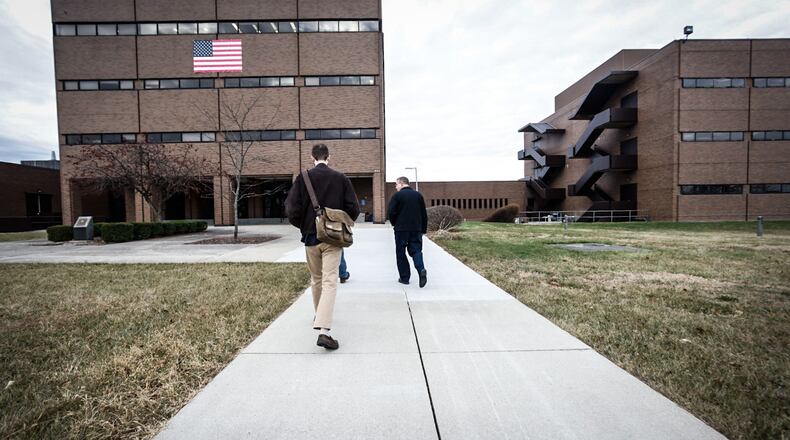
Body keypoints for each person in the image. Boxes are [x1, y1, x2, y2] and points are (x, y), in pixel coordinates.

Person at [285, 144, 360, 350]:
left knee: (316, 280)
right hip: (332, 238)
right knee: (329, 282)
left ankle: (320, 317)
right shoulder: (341, 178)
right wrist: (340, 221)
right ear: (329, 157)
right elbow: (353, 208)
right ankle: (324, 330)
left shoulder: (303, 178)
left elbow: (292, 209)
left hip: (310, 237)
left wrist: (305, 226)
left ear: (312, 157)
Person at [387, 176, 428, 288]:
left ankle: (404, 278)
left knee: (401, 253)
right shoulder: (418, 195)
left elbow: (391, 212)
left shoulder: (397, 196)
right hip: (416, 229)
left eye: (396, 184)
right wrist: (423, 229)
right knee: (416, 250)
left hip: (401, 229)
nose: (395, 187)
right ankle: (421, 269)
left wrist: (395, 223)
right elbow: (424, 214)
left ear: (401, 183)